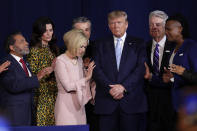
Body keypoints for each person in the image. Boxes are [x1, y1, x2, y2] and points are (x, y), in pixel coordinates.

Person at [93, 10, 147, 131]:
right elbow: (96, 69)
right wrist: (110, 88)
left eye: (119, 22)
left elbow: (140, 69)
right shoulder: (99, 44)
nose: (116, 26)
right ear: (108, 25)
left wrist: (123, 87)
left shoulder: (139, 43)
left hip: (131, 102)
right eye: (112, 23)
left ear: (126, 24)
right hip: (107, 102)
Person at [0, 32, 51, 126]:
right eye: (22, 41)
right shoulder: (6, 63)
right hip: (15, 116)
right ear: (12, 47)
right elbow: (14, 86)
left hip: (28, 114)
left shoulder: (25, 63)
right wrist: (37, 77)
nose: (27, 43)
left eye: (26, 40)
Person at [54, 29, 95, 125]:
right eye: (81, 46)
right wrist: (87, 78)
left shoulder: (79, 59)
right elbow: (68, 87)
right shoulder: (60, 61)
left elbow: (81, 81)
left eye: (85, 47)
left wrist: (87, 72)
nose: (83, 50)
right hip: (65, 107)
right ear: (73, 44)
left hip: (79, 106)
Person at [144, 10, 176, 131]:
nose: (154, 27)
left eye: (158, 24)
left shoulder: (174, 47)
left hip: (170, 104)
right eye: (151, 24)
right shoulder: (143, 47)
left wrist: (152, 77)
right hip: (149, 105)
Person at [27, 17, 59, 126]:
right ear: (39, 32)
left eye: (51, 30)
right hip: (42, 97)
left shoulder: (52, 48)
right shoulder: (35, 51)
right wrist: (50, 70)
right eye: (45, 31)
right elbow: (31, 76)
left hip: (54, 94)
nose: (49, 33)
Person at [163, 14, 197, 111]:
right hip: (175, 102)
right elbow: (177, 80)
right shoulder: (172, 48)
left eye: (168, 29)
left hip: (190, 105)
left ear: (180, 29)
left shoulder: (192, 47)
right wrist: (171, 79)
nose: (165, 32)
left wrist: (183, 72)